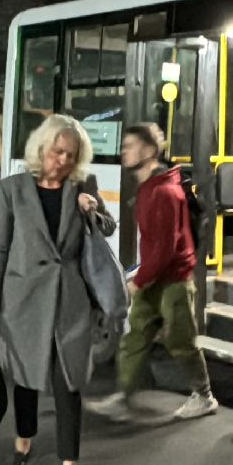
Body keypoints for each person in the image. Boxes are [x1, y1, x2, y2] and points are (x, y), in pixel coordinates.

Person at [0, 113, 114, 465]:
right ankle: (23, 443)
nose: (63, 160)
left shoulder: (82, 188)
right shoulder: (11, 191)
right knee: (26, 382)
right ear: (42, 149)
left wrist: (92, 208)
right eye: (57, 151)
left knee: (68, 387)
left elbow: (109, 228)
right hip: (24, 301)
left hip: (68, 303)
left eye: (72, 154)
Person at [92, 123, 217, 422]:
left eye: (131, 145)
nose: (124, 150)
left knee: (181, 342)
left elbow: (164, 249)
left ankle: (204, 396)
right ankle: (123, 396)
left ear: (148, 152)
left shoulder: (163, 191)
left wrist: (138, 281)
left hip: (173, 279)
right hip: (155, 276)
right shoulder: (149, 186)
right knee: (135, 337)